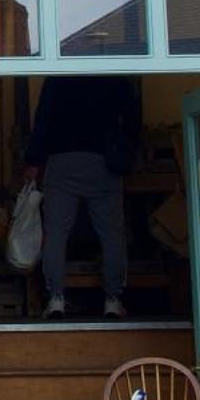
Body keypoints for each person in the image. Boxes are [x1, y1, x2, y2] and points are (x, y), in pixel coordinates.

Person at [24, 76, 140, 320]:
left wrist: (34, 160)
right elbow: (132, 119)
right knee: (111, 233)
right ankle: (113, 300)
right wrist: (130, 155)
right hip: (104, 161)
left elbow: (42, 120)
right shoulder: (115, 77)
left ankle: (55, 299)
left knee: (56, 232)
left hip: (62, 160)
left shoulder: (57, 77)